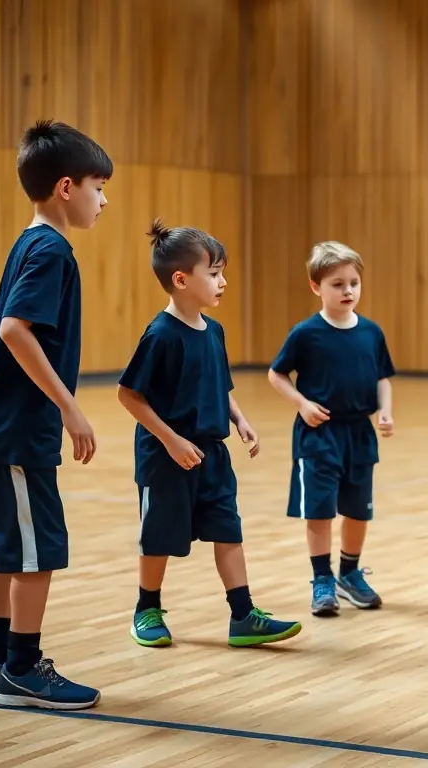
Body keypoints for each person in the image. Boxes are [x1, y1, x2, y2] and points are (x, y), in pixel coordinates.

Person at [117, 220, 302, 648]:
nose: (224, 281)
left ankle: (243, 616)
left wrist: (239, 419)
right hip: (166, 457)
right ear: (181, 280)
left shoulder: (213, 331)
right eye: (214, 273)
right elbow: (129, 396)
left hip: (212, 456)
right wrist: (170, 439)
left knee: (228, 530)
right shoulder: (161, 335)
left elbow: (221, 385)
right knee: (158, 537)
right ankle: (146, 609)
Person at [0, 120, 111, 710]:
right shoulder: (51, 249)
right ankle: (21, 668)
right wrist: (70, 407)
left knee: (7, 547)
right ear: (66, 187)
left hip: (3, 427)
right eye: (97, 186)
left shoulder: (28, 241)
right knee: (35, 551)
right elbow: (15, 329)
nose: (104, 199)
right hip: (19, 430)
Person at [268, 242, 395, 616]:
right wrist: (302, 404)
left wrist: (385, 411)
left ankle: (350, 573)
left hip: (359, 434)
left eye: (354, 283)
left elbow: (384, 377)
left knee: (358, 511)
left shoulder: (371, 332)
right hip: (318, 435)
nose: (348, 291)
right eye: (337, 284)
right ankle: (322, 578)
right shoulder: (306, 333)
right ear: (316, 287)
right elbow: (277, 374)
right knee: (320, 511)